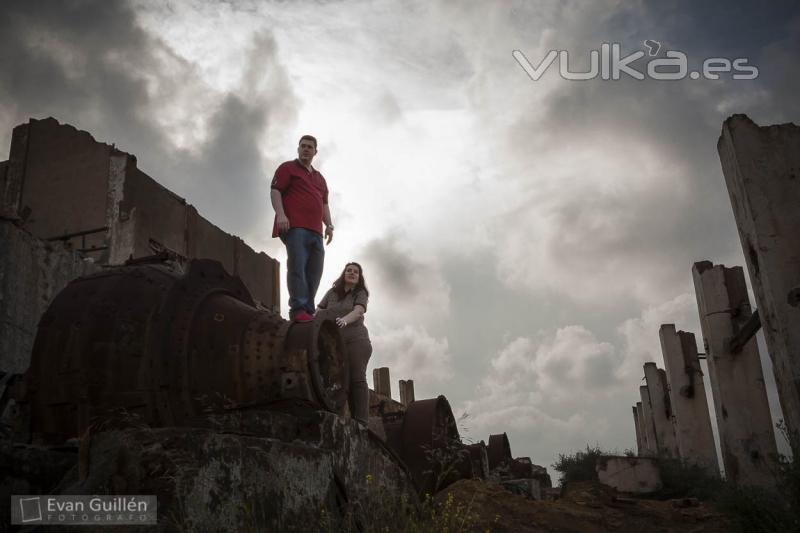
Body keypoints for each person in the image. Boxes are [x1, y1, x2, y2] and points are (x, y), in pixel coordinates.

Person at [271, 135, 334, 322]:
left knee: (315, 271)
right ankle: (298, 310)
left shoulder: (320, 178)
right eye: (303, 146)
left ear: (316, 151)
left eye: (310, 147)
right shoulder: (287, 168)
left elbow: (324, 204)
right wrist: (281, 215)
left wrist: (329, 225)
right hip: (295, 227)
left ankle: (308, 309)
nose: (306, 149)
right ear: (298, 148)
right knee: (297, 266)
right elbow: (275, 191)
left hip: (316, 232)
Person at [317, 262, 372, 423]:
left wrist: (345, 321)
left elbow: (358, 311)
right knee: (338, 381)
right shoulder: (332, 293)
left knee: (357, 378)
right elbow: (319, 311)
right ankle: (340, 418)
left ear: (359, 277)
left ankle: (361, 422)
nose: (352, 273)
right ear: (344, 273)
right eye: (349, 270)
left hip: (357, 340)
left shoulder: (360, 293)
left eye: (356, 272)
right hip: (335, 344)